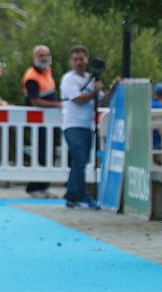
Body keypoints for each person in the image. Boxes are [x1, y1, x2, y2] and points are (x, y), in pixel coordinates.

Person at [60, 45, 117, 209]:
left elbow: (102, 101)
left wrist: (112, 89)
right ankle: (79, 196)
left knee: (81, 161)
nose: (79, 62)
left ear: (87, 60)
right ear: (71, 61)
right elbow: (78, 99)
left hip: (87, 125)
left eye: (81, 59)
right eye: (75, 59)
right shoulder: (69, 79)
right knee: (79, 159)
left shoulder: (91, 79)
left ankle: (73, 196)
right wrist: (94, 92)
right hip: (73, 124)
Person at [22, 45, 61, 198]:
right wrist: (57, 105)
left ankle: (43, 186)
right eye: (40, 55)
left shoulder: (46, 71)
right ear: (34, 58)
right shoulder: (31, 76)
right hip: (39, 123)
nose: (44, 58)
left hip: (50, 122)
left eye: (46, 55)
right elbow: (36, 102)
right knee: (42, 154)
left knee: (50, 153)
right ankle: (35, 187)